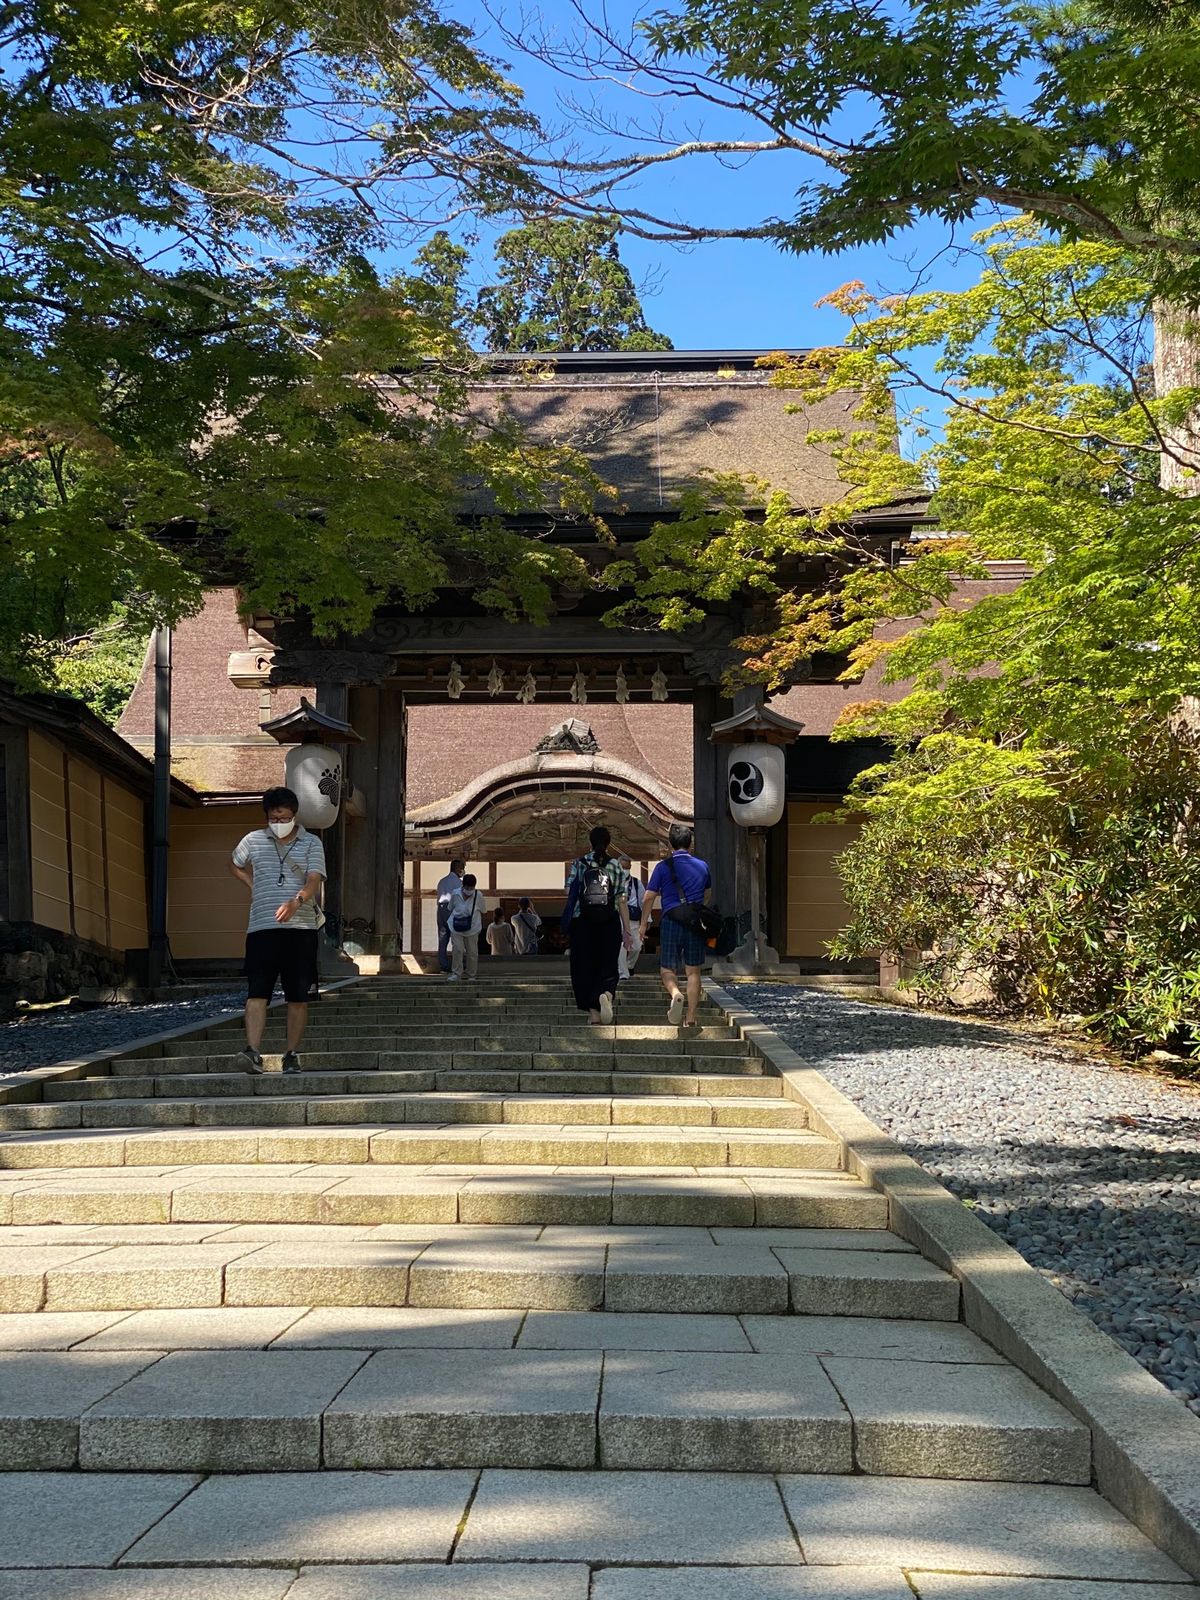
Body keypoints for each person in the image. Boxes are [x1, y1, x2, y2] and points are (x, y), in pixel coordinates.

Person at [228, 786, 326, 1074]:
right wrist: (252, 885)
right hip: (261, 927)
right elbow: (234, 864)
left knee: (298, 995)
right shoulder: (253, 840)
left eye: (284, 818)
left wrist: (297, 901)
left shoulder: (311, 843)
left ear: (294, 815)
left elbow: (314, 879)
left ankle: (291, 1053)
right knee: (257, 991)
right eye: (274, 818)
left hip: (301, 928)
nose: (279, 823)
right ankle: (252, 1051)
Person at [641, 823, 712, 1028]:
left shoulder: (663, 867)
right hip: (694, 921)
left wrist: (643, 924)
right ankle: (690, 1018)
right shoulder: (702, 866)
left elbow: (648, 897)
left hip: (671, 919)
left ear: (670, 844)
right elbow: (707, 894)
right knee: (693, 971)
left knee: (667, 968)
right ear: (690, 843)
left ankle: (675, 993)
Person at [563, 825, 632, 1024]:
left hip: (582, 921)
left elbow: (568, 890)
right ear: (609, 843)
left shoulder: (580, 863)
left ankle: (593, 1014)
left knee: (584, 966)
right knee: (608, 963)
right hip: (609, 920)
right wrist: (627, 931)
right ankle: (607, 994)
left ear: (590, 843)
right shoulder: (616, 866)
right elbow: (622, 900)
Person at [447, 872, 483, 981]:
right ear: (463, 886)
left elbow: (483, 909)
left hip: (472, 927)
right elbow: (450, 907)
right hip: (456, 926)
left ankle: (471, 974)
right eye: (467, 887)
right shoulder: (455, 893)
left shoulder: (478, 895)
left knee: (472, 952)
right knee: (457, 949)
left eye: (471, 888)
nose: (469, 890)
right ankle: (456, 973)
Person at [616, 855, 645, 981]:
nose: (625, 870)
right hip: (618, 917)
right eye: (623, 867)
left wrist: (647, 919)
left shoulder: (637, 883)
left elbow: (643, 901)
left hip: (633, 918)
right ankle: (623, 973)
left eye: (627, 867)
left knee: (637, 946)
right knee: (622, 945)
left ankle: (629, 965)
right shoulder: (614, 882)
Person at [435, 858, 466, 973]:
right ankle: (458, 965)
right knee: (457, 938)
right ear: (457, 869)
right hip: (453, 909)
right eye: (462, 868)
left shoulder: (442, 881)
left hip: (441, 909)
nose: (463, 870)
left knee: (443, 938)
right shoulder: (459, 883)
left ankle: (443, 966)